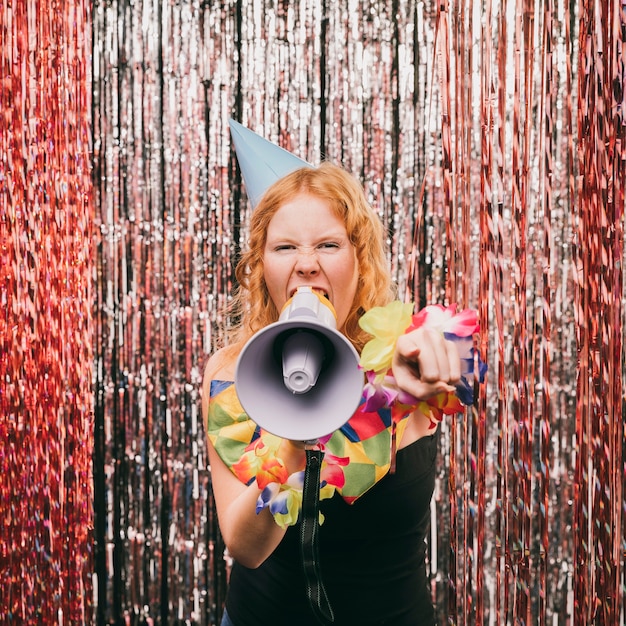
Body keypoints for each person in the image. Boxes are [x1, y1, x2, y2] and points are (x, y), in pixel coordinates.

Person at [202, 122, 480, 626]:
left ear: (360, 258)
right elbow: (245, 547)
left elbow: (466, 368)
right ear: (261, 265)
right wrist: (291, 440)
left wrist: (437, 355)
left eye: (329, 245)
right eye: (285, 247)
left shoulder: (404, 357)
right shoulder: (228, 376)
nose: (306, 265)